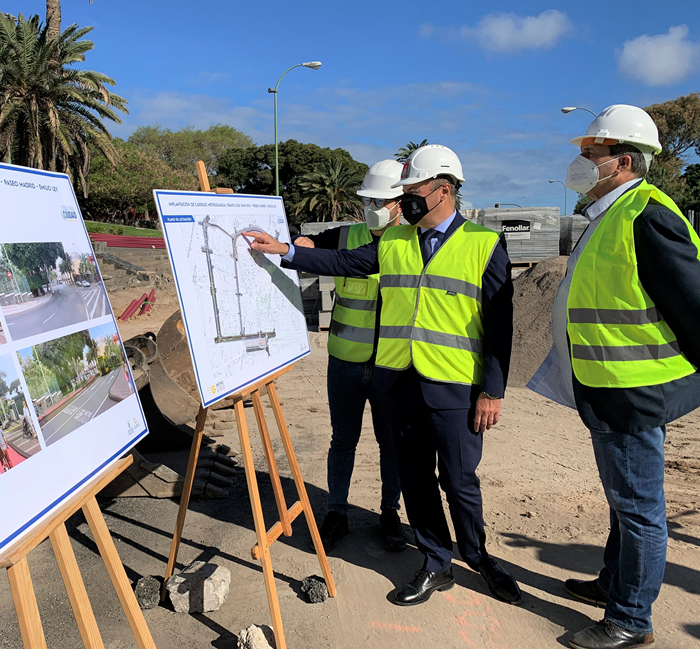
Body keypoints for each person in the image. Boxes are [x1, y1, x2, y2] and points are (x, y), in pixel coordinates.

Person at [244, 144, 521, 606]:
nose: (406, 199)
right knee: (415, 478)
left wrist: (492, 391)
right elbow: (343, 262)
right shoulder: (393, 241)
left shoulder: (484, 244)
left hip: (454, 386)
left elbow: (500, 325)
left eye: (413, 191)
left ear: (443, 190)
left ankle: (478, 555)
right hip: (399, 382)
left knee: (459, 480)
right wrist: (284, 251)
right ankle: (437, 562)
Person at [529, 104, 700, 649]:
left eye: (590, 153)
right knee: (622, 498)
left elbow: (693, 302)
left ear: (621, 160)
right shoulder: (610, 212)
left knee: (639, 508)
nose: (580, 161)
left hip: (634, 392)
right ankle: (612, 583)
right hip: (607, 386)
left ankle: (631, 619)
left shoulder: (647, 213)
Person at [285, 159, 405, 552]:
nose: (374, 205)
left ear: (401, 201)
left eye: (382, 199)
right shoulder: (347, 235)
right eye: (369, 198)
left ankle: (390, 512)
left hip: (391, 367)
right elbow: (315, 249)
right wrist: (302, 244)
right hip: (345, 363)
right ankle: (336, 510)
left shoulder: (412, 244)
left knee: (392, 445)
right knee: (342, 441)